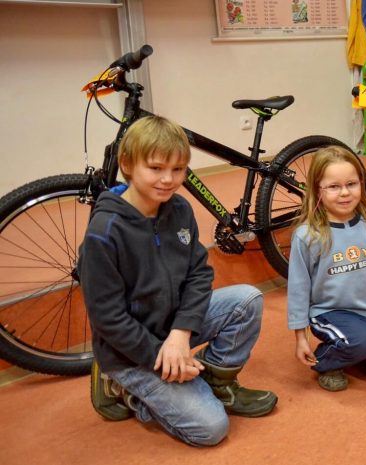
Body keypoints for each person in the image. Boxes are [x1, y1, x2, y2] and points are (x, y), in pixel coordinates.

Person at [79, 116, 277, 447]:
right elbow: (108, 319)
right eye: (155, 168)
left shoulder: (179, 209)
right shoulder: (104, 234)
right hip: (131, 352)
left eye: (178, 169)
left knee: (247, 299)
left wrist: (180, 334)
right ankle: (123, 388)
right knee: (211, 428)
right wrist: (163, 355)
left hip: (172, 329)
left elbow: (199, 274)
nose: (168, 180)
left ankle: (217, 383)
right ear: (127, 165)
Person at [287, 146, 366, 392]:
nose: (344, 193)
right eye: (334, 186)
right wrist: (300, 336)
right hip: (329, 312)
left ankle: (356, 346)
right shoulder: (307, 236)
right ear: (317, 190)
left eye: (351, 184)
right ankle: (327, 361)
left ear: (361, 184)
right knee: (365, 340)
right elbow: (298, 288)